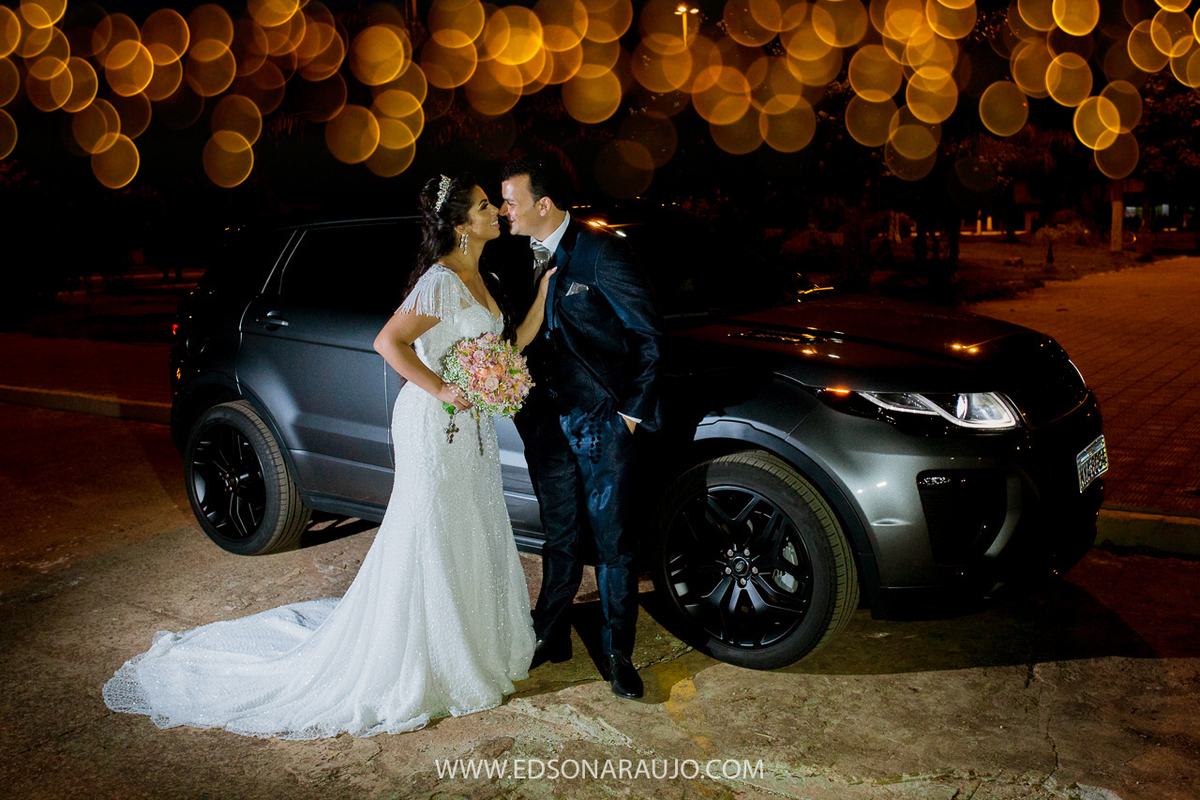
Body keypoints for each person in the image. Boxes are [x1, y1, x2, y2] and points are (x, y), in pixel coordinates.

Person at [102, 175, 552, 739]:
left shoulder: (478, 276)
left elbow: (505, 348)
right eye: (487, 207)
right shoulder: (440, 281)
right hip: (435, 425)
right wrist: (443, 390)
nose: (496, 214)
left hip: (472, 426)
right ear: (461, 224)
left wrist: (539, 300)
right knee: (430, 531)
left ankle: (471, 644)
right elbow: (387, 342)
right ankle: (425, 659)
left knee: (471, 525)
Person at [499, 155, 662, 700]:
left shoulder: (602, 253)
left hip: (601, 422)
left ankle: (618, 653)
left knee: (614, 542)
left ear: (542, 204)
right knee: (560, 535)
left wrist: (630, 416)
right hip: (545, 424)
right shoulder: (515, 256)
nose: (504, 212)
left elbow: (648, 337)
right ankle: (551, 634)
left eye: (510, 201)